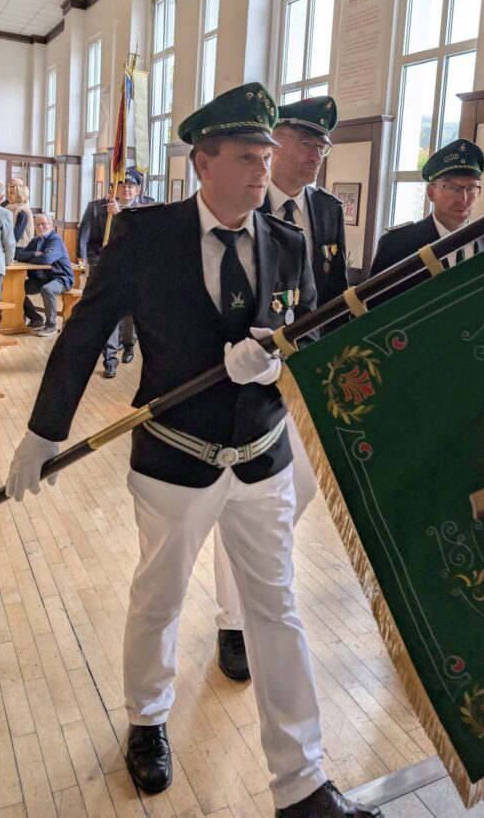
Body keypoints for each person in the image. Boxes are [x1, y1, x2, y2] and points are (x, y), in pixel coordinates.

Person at [5, 82, 382, 818]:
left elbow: (306, 332)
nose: (262, 171)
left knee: (276, 610)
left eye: (266, 157)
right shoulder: (145, 236)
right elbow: (84, 334)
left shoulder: (288, 242)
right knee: (160, 596)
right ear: (202, 162)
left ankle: (302, 782)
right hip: (175, 458)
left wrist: (277, 363)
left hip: (262, 457)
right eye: (246, 157)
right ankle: (148, 719)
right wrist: (44, 432)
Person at [213, 95, 349, 682]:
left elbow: (334, 295)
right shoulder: (242, 199)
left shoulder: (326, 209)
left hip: (306, 376)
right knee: (240, 500)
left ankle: (259, 583)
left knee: (297, 492)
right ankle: (233, 621)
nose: (316, 154)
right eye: (306, 142)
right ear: (276, 142)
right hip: (243, 377)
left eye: (323, 145)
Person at [370, 139, 484, 300]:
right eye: (452, 188)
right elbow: (373, 309)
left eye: (471, 188)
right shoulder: (397, 245)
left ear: (479, 193)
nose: (463, 198)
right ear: (431, 192)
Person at [77, 167, 154, 377]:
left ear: (138, 190)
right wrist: (90, 260)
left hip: (134, 268)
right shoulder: (100, 207)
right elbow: (89, 236)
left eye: (130, 186)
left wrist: (121, 216)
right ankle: (110, 359)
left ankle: (128, 344)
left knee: (129, 314)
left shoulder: (147, 207)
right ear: (114, 189)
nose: (126, 190)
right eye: (122, 186)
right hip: (105, 266)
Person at [15, 214, 74, 337]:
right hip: (41, 278)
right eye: (37, 225)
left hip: (61, 278)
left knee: (47, 290)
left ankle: (51, 326)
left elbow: (46, 259)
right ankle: (36, 319)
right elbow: (19, 255)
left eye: (43, 224)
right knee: (16, 289)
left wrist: (32, 257)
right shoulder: (35, 241)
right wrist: (35, 254)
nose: (40, 227)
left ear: (51, 226)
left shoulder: (55, 240)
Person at [5, 182, 35, 248]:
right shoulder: (9, 208)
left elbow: (16, 236)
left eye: (11, 193)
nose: (8, 195)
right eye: (8, 193)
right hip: (11, 246)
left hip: (20, 247)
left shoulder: (22, 211)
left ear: (19, 195)